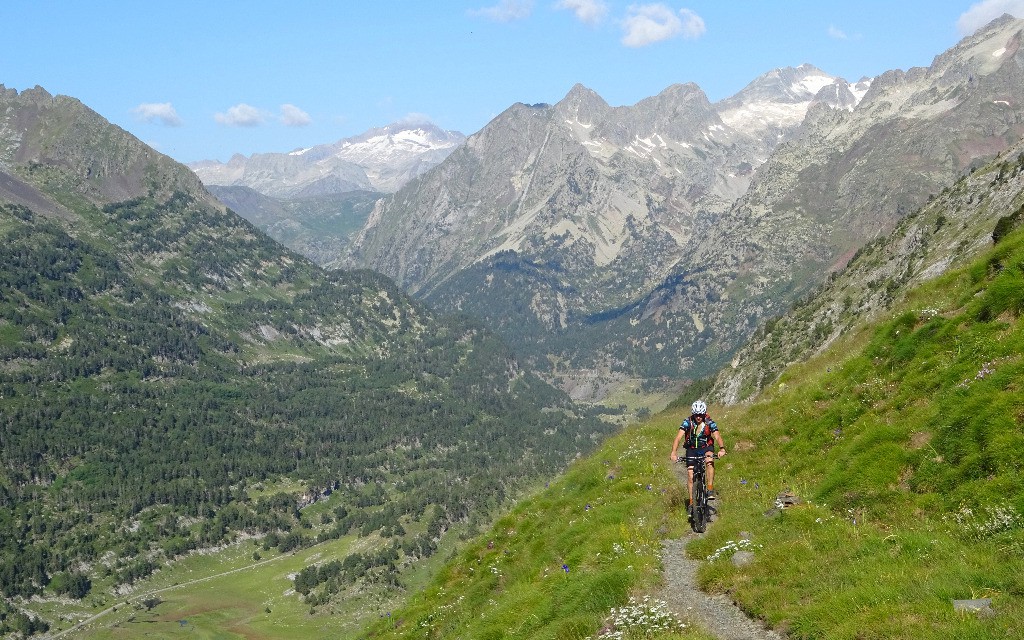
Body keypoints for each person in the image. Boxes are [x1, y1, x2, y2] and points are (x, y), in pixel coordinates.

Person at [669, 400, 726, 515]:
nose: (698, 417)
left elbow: (717, 436)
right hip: (692, 449)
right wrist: (673, 452)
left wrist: (722, 449)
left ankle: (709, 489)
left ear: (704, 413)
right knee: (690, 475)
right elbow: (678, 437)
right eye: (696, 415)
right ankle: (691, 502)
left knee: (709, 461)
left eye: (701, 415)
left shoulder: (709, 422)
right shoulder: (687, 422)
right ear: (693, 414)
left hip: (706, 447)